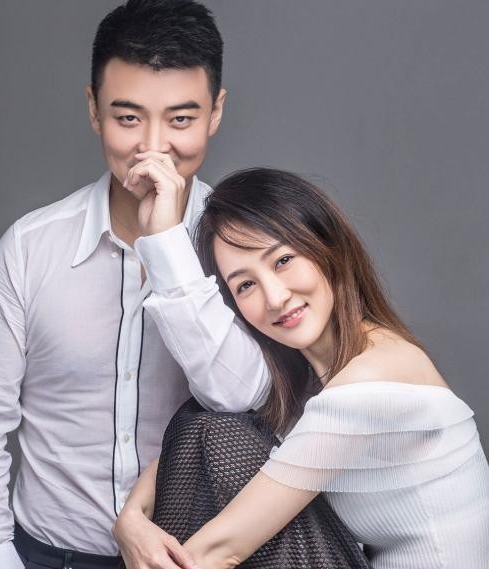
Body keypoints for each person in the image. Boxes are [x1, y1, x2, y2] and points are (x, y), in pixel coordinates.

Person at [0, 2, 275, 568]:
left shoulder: (248, 252)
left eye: (181, 120)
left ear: (216, 112)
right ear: (93, 110)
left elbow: (239, 398)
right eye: (128, 118)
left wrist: (169, 245)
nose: (153, 148)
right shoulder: (28, 250)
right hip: (47, 555)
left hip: (196, 560)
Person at [117, 168, 489, 568]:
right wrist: (131, 518)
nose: (275, 297)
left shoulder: (372, 379)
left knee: (217, 434)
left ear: (327, 245)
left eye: (283, 260)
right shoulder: (311, 380)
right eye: (245, 285)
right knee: (206, 421)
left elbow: (222, 550)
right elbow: (199, 431)